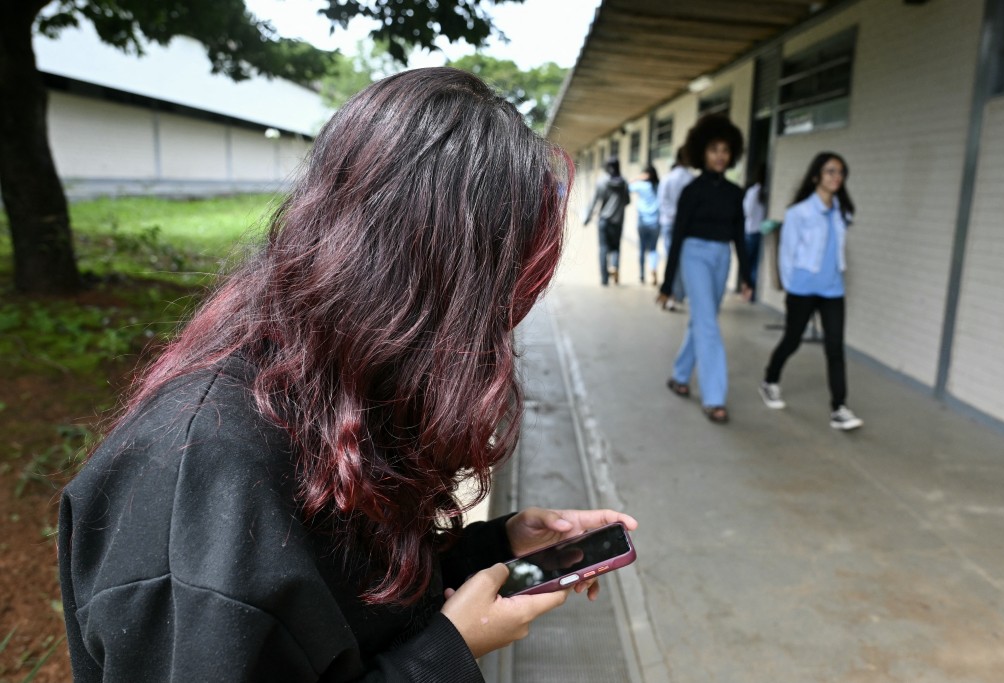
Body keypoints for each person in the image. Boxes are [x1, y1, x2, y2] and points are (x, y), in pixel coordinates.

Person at [57, 67, 638, 683]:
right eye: (494, 299)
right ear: (430, 283)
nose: (498, 332)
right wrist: (445, 654)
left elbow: (336, 595)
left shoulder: (326, 385)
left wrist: (492, 552)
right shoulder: (200, 483)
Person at [656, 114, 752, 424]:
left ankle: (680, 376)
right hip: (693, 255)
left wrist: (747, 277)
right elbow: (678, 237)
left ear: (732, 153)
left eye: (725, 150)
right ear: (702, 153)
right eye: (714, 150)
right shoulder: (691, 191)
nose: (720, 156)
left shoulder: (736, 194)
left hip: (722, 256)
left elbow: (739, 237)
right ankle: (714, 397)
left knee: (702, 320)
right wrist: (667, 284)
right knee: (709, 325)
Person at [758, 152, 863, 431]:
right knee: (792, 340)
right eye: (830, 172)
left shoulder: (843, 211)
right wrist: (792, 288)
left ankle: (839, 408)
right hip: (802, 289)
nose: (836, 177)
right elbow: (787, 253)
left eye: (840, 173)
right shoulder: (799, 212)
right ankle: (770, 381)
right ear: (816, 175)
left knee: (835, 348)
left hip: (832, 290)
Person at [657, 146, 694, 309]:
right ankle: (675, 295)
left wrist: (669, 215)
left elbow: (661, 201)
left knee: (671, 258)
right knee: (681, 260)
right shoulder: (691, 179)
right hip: (685, 225)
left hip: (668, 222)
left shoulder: (667, 178)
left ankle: (670, 292)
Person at [583, 157, 630, 285]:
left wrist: (587, 218)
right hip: (618, 221)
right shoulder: (624, 183)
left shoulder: (601, 182)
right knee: (615, 248)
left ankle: (604, 279)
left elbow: (594, 202)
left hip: (604, 221)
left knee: (603, 248)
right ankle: (614, 266)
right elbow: (627, 201)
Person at [629, 165, 661, 285]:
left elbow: (627, 187)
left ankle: (642, 275)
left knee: (642, 249)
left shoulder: (641, 186)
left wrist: (638, 177)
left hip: (642, 223)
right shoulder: (658, 186)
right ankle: (653, 268)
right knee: (653, 249)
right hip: (655, 223)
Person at [742, 164, 767, 302]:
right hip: (760, 231)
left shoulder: (753, 191)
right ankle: (752, 293)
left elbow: (747, 211)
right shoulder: (765, 192)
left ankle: (747, 292)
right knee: (755, 265)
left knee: (747, 265)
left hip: (750, 230)